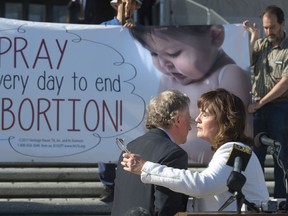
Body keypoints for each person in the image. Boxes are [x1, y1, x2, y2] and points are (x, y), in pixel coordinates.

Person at [122, 88, 269, 212]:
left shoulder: (238, 150)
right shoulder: (231, 151)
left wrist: (146, 167)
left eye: (205, 115)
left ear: (225, 121)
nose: (197, 119)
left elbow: (203, 185)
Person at [129, 25, 252, 164]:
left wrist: (171, 150)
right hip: (172, 161)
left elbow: (234, 130)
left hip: (212, 165)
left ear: (215, 36)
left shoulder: (229, 74)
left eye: (174, 53)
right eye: (154, 54)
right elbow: (152, 122)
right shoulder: (167, 79)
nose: (164, 63)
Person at [111, 89, 191, 216]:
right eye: (189, 119)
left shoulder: (130, 148)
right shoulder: (174, 154)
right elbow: (168, 209)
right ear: (177, 120)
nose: (190, 126)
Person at [98, 0, 143, 202]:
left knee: (132, 139)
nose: (128, 7)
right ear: (117, 5)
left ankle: (128, 181)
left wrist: (134, 36)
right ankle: (109, 184)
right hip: (108, 92)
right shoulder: (104, 28)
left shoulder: (140, 32)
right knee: (107, 136)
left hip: (131, 95)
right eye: (124, 2)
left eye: (131, 3)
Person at [243, 5, 288, 198]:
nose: (268, 32)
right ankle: (257, 200)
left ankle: (281, 201)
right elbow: (246, 60)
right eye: (265, 27)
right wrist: (253, 36)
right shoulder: (262, 44)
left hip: (280, 109)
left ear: (282, 24)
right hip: (259, 111)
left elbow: (285, 83)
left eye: (272, 27)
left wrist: (261, 103)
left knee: (281, 158)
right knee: (255, 158)